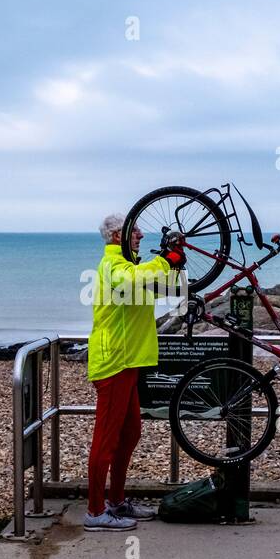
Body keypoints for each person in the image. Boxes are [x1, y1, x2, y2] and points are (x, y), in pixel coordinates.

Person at [84, 214, 185, 531]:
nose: (141, 234)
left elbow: (165, 288)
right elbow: (131, 279)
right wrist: (164, 260)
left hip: (128, 363)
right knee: (106, 441)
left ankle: (116, 501)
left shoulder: (131, 267)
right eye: (135, 230)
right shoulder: (114, 265)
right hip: (113, 363)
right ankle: (95, 512)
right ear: (117, 235)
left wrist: (175, 261)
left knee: (130, 435)